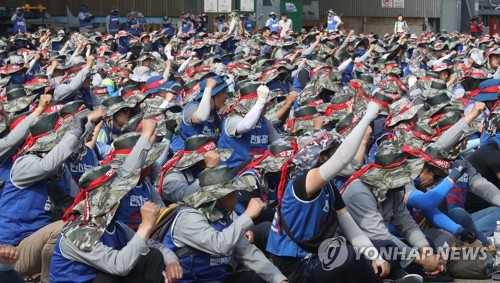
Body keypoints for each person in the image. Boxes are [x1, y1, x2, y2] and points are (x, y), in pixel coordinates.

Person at [162, 165, 289, 283]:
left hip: (218, 279)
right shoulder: (188, 218)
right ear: (220, 197)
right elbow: (219, 245)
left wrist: (279, 279)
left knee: (258, 279)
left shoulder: (224, 215)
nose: (237, 196)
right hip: (192, 280)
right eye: (233, 192)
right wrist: (248, 215)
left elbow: (247, 253)